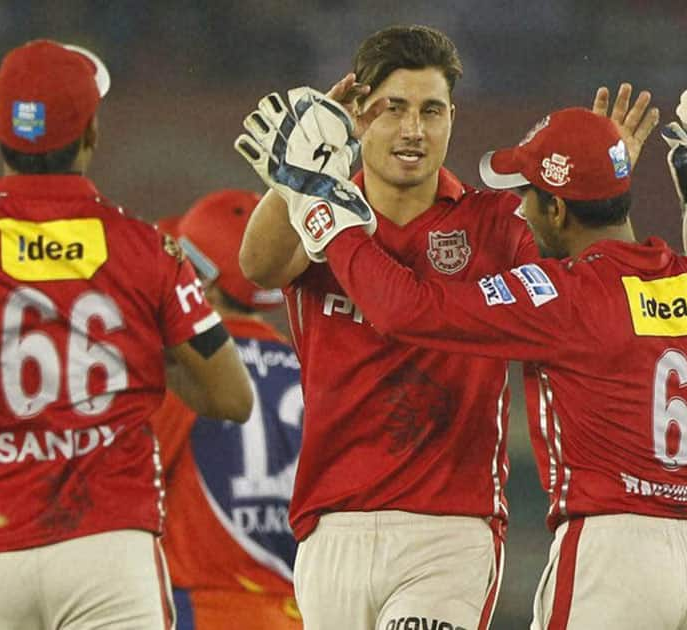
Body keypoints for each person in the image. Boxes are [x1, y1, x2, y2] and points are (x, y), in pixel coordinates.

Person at [269, 89, 687, 629]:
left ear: (558, 208)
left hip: (609, 557)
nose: (519, 208)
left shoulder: (562, 296)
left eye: (529, 194)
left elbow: (408, 312)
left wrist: (326, 216)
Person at [235, 24, 657, 629]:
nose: (414, 129)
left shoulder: (496, 221)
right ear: (357, 115)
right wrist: (295, 177)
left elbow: (589, 281)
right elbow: (258, 264)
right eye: (394, 109)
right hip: (332, 526)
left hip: (450, 529)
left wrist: (595, 185)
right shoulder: (318, 213)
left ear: (453, 118)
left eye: (431, 111)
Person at [0, 39, 253, 630]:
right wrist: (136, 356)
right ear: (92, 137)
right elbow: (231, 398)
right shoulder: (146, 249)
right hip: (110, 543)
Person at [151, 190, 303, 629]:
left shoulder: (186, 369)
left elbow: (132, 479)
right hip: (305, 612)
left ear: (205, 283)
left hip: (204, 610)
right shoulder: (312, 370)